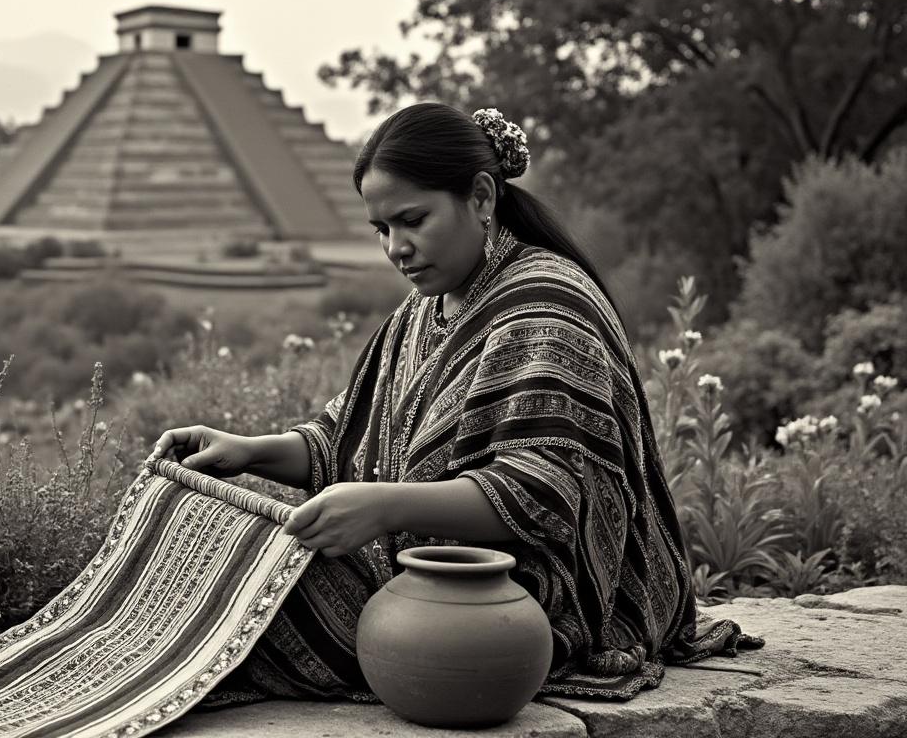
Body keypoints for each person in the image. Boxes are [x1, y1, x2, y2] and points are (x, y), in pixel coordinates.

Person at [147, 103, 759, 703]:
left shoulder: (546, 308)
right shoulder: (425, 308)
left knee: (239, 606)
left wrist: (384, 507)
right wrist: (246, 453)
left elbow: (543, 496)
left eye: (413, 220)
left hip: (522, 591)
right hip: (411, 566)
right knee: (193, 536)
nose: (397, 248)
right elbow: (349, 436)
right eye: (382, 229)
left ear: (483, 198)